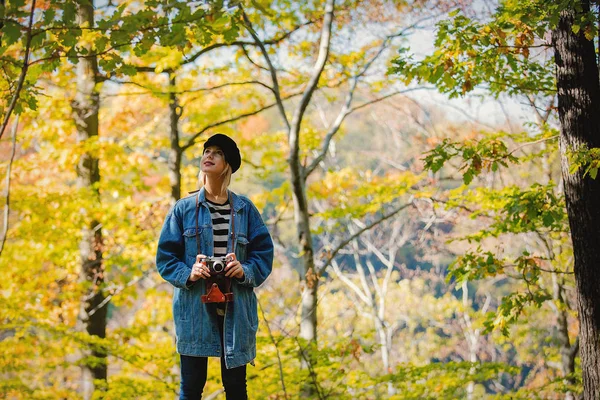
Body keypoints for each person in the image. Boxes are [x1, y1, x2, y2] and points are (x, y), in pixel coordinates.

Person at [156, 133, 274, 399]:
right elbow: (165, 259)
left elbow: (264, 254)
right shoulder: (183, 209)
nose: (208, 155)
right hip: (194, 309)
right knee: (191, 388)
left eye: (217, 152)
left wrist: (244, 270)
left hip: (236, 309)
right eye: (206, 151)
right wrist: (190, 273)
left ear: (228, 164)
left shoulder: (244, 209)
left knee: (235, 388)